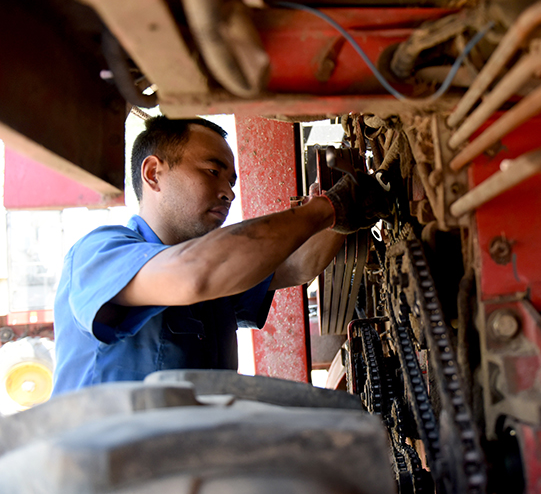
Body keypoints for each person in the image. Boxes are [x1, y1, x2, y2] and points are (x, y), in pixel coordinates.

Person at [52, 115, 386, 395]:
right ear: (154, 173)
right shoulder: (99, 253)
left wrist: (339, 216)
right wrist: (322, 210)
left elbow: (297, 267)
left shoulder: (216, 272)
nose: (228, 192)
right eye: (212, 172)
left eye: (232, 181)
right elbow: (193, 274)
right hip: (106, 467)